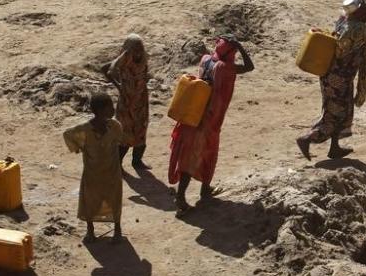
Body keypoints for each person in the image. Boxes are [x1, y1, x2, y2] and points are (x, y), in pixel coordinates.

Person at [168, 35, 254, 215]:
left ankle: (205, 189)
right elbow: (249, 67)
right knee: (195, 156)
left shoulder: (206, 59)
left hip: (193, 111)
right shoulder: (224, 68)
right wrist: (240, 45)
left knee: (203, 153)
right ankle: (181, 198)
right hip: (207, 118)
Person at [296, 0, 366, 161]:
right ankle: (307, 138)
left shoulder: (343, 20)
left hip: (331, 74)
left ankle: (334, 148)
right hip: (340, 78)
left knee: (340, 113)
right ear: (359, 13)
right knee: (335, 115)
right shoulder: (357, 29)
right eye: (365, 11)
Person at [63, 92, 133, 244]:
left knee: (114, 201)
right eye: (110, 107)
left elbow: (123, 140)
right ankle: (90, 231)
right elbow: (67, 135)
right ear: (100, 110)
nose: (113, 109)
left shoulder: (114, 126)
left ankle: (117, 231)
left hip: (112, 173)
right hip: (92, 174)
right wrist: (78, 147)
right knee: (90, 202)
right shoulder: (85, 130)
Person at [102, 34, 150, 171]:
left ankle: (137, 161)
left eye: (140, 48)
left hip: (141, 100)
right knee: (126, 134)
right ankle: (117, 164)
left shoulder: (144, 56)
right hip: (127, 102)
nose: (138, 51)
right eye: (136, 48)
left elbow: (145, 72)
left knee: (141, 129)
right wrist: (119, 86)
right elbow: (107, 69)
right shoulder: (125, 57)